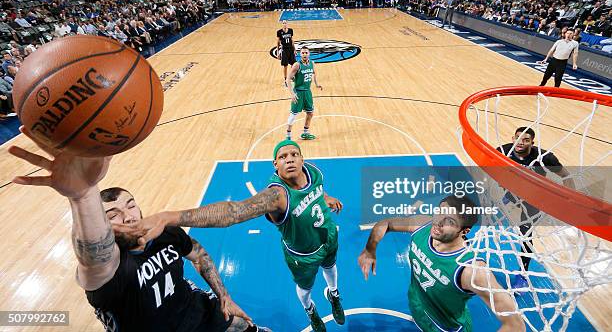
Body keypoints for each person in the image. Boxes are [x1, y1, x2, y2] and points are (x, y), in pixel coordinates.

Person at [8, 127, 268, 332]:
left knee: (242, 324)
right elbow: (93, 256)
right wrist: (83, 195)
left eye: (131, 206)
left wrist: (224, 296)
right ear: (102, 224)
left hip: (191, 311)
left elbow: (198, 254)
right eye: (113, 214)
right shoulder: (107, 270)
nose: (129, 216)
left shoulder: (164, 232)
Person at [115, 140, 346, 332]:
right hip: (301, 254)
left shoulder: (313, 171)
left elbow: (316, 190)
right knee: (305, 290)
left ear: (302, 160)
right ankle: (311, 310)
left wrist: (326, 198)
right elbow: (233, 211)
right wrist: (170, 217)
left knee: (331, 268)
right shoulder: (276, 195)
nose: (290, 158)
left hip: (327, 237)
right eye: (283, 156)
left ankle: (333, 295)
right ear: (276, 165)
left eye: (295, 154)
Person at [358, 196, 525, 332]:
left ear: (464, 231)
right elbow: (385, 223)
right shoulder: (422, 225)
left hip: (445, 327)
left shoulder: (471, 270)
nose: (438, 222)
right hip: (417, 307)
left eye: (450, 222)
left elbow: (515, 325)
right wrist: (370, 249)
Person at [497, 127, 574, 290]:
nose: (520, 142)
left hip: (534, 200)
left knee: (525, 234)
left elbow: (566, 176)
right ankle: (509, 196)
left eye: (525, 140)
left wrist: (570, 199)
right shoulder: (503, 151)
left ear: (532, 142)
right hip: (513, 191)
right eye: (518, 138)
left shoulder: (545, 157)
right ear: (513, 138)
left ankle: (522, 274)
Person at [285, 47, 322, 140]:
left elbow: (314, 74)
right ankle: (288, 136)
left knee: (310, 113)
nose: (304, 54)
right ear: (300, 54)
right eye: (303, 53)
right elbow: (288, 79)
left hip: (307, 92)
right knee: (293, 115)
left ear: (309, 54)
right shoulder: (297, 65)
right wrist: (292, 93)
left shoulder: (312, 63)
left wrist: (317, 84)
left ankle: (305, 133)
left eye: (306, 53)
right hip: (298, 92)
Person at [276, 20, 296, 85]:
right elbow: (278, 42)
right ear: (282, 24)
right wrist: (278, 52)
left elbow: (292, 40)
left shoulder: (290, 30)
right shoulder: (279, 32)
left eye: (285, 23)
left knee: (293, 65)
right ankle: (285, 79)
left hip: (290, 49)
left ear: (287, 24)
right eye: (283, 23)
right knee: (285, 66)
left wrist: (294, 49)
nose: (284, 24)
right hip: (284, 50)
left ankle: (292, 77)